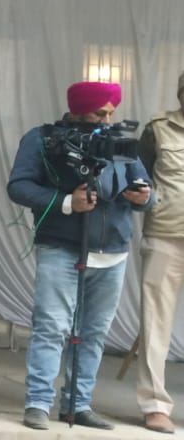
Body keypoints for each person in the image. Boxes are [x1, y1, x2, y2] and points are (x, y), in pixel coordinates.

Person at [8, 81, 152, 431]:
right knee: (52, 326)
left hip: (113, 252)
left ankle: (78, 405)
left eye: (111, 113)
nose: (107, 119)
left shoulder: (120, 142)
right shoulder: (42, 139)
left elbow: (149, 193)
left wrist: (144, 197)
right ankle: (38, 403)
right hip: (60, 246)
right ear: (78, 109)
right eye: (100, 113)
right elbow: (19, 186)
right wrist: (66, 202)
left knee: (94, 332)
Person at [138, 71, 184, 435]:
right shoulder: (157, 129)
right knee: (155, 322)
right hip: (166, 235)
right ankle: (155, 405)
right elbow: (138, 179)